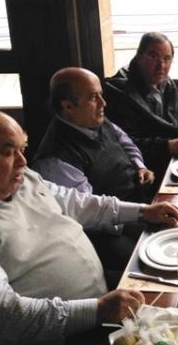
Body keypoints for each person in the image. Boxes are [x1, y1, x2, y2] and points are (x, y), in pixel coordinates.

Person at [0, 110, 178, 345]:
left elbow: (76, 203)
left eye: (22, 149)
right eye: (8, 152)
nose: (23, 161)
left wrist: (143, 211)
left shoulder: (21, 179)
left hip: (100, 302)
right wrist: (97, 310)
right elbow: (3, 318)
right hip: (47, 344)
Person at [32, 67, 158, 274]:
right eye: (93, 97)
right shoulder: (56, 159)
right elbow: (88, 213)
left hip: (136, 201)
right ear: (68, 106)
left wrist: (139, 165)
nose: (103, 103)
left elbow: (125, 141)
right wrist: (139, 219)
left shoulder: (92, 119)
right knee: (153, 259)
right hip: (109, 230)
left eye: (101, 95)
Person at [103, 32, 178, 185]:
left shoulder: (161, 80)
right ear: (139, 56)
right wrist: (166, 146)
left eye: (167, 58)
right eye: (153, 56)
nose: (161, 65)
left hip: (172, 161)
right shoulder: (118, 91)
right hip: (147, 173)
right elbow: (123, 143)